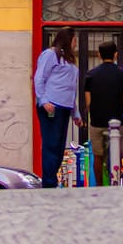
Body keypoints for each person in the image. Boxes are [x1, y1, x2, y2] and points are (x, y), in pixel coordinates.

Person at [32, 27, 80, 188]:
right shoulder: (50, 55)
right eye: (74, 39)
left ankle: (52, 178)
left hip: (65, 107)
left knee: (59, 146)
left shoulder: (69, 60)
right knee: (51, 144)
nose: (75, 43)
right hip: (52, 106)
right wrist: (44, 100)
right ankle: (49, 182)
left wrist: (76, 112)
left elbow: (72, 88)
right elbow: (39, 77)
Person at [81, 40, 123, 185]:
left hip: (97, 122)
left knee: (98, 156)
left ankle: (99, 185)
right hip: (117, 121)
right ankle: (119, 180)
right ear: (116, 55)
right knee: (120, 154)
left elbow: (88, 102)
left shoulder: (90, 75)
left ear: (99, 55)